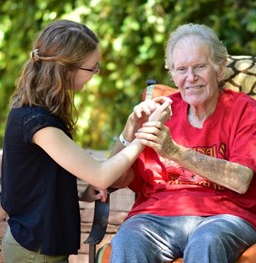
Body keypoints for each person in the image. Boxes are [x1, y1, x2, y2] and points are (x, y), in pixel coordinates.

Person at [0, 19, 172, 263]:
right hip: (34, 253)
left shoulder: (38, 114)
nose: (95, 74)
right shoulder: (37, 123)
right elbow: (101, 175)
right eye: (92, 68)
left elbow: (40, 180)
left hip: (38, 248)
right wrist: (148, 133)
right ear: (66, 69)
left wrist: (131, 127)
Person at [108, 23, 256, 263]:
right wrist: (130, 127)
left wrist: (174, 151)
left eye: (200, 67)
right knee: (127, 240)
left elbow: (240, 180)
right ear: (172, 73)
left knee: (206, 241)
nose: (190, 78)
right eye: (181, 69)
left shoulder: (243, 109)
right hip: (156, 217)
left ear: (220, 68)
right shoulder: (161, 111)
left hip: (225, 216)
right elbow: (114, 179)